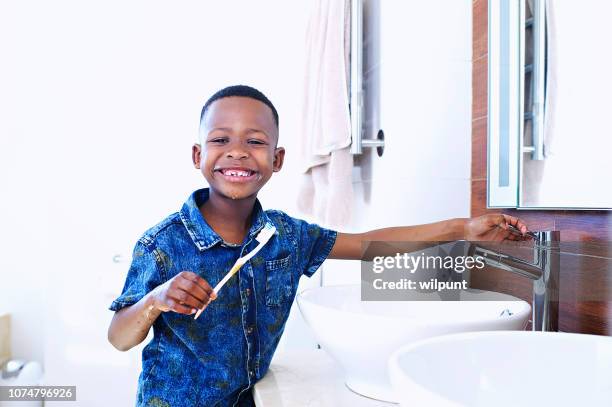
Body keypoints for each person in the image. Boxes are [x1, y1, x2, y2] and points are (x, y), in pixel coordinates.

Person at [107, 85, 531, 406]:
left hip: (251, 398)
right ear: (198, 154)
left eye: (255, 141)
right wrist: (157, 299)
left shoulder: (287, 238)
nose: (237, 152)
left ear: (277, 159)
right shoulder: (162, 243)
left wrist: (463, 229)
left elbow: (369, 245)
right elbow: (119, 337)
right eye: (220, 141)